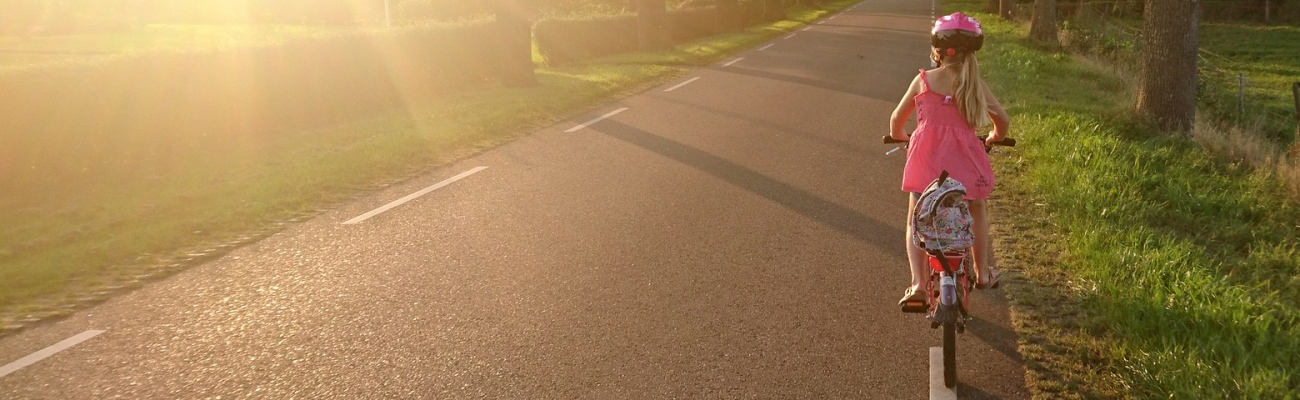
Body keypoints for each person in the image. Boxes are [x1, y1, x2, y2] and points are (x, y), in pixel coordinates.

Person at [889, 12, 1010, 306]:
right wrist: (994, 136)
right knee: (976, 208)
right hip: (965, 165)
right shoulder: (974, 86)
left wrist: (903, 137)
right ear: (972, 54)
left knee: (915, 218)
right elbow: (1002, 121)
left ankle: (918, 284)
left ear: (937, 52)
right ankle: (981, 274)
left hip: (925, 164)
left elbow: (895, 120)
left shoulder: (923, 81)